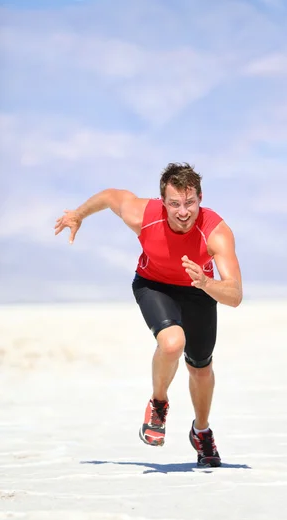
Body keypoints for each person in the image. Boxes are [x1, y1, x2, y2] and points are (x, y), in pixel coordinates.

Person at [54, 163, 242, 467]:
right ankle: (158, 403)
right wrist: (77, 214)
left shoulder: (216, 232)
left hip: (199, 288)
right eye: (174, 204)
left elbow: (234, 295)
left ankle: (201, 431)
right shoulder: (143, 215)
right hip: (154, 285)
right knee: (171, 343)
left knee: (201, 369)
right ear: (162, 202)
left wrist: (207, 283)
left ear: (200, 199)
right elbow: (110, 196)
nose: (183, 212)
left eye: (190, 202)